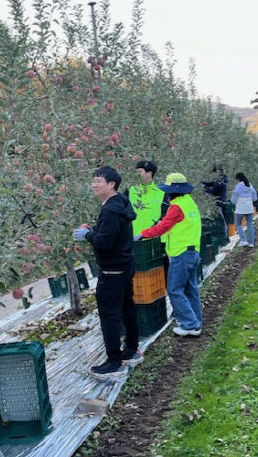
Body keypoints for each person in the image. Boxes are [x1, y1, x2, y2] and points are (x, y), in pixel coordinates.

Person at [73, 166, 140, 379]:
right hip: (125, 264)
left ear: (111, 184)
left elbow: (105, 242)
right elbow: (111, 234)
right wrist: (94, 231)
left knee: (109, 315)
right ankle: (131, 350)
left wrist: (88, 235)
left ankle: (114, 362)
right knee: (127, 307)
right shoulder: (120, 204)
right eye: (93, 180)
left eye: (98, 181)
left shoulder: (110, 209)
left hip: (112, 270)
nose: (94, 184)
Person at [139, 173, 202, 337]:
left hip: (181, 253)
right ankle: (196, 322)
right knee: (191, 289)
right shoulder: (188, 202)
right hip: (192, 250)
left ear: (171, 191)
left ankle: (189, 324)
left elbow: (163, 228)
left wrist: (143, 234)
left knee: (174, 289)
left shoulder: (176, 207)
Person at [126, 159, 167, 238]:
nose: (137, 175)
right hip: (134, 238)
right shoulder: (130, 190)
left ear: (149, 173)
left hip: (155, 238)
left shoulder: (161, 193)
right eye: (136, 172)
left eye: (140, 172)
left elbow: (165, 215)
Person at [201, 164, 229, 239]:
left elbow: (213, 190)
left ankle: (225, 237)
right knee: (222, 219)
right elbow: (212, 184)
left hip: (219, 203)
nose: (213, 174)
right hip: (221, 202)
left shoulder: (220, 181)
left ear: (218, 172)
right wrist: (203, 183)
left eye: (214, 172)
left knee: (222, 220)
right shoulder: (221, 179)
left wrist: (204, 188)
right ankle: (225, 236)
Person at [231, 172, 258, 247]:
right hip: (249, 207)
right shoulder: (249, 185)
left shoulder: (238, 186)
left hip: (240, 208)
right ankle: (251, 243)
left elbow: (234, 199)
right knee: (250, 224)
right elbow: (255, 198)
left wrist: (233, 202)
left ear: (238, 179)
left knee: (238, 224)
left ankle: (243, 240)